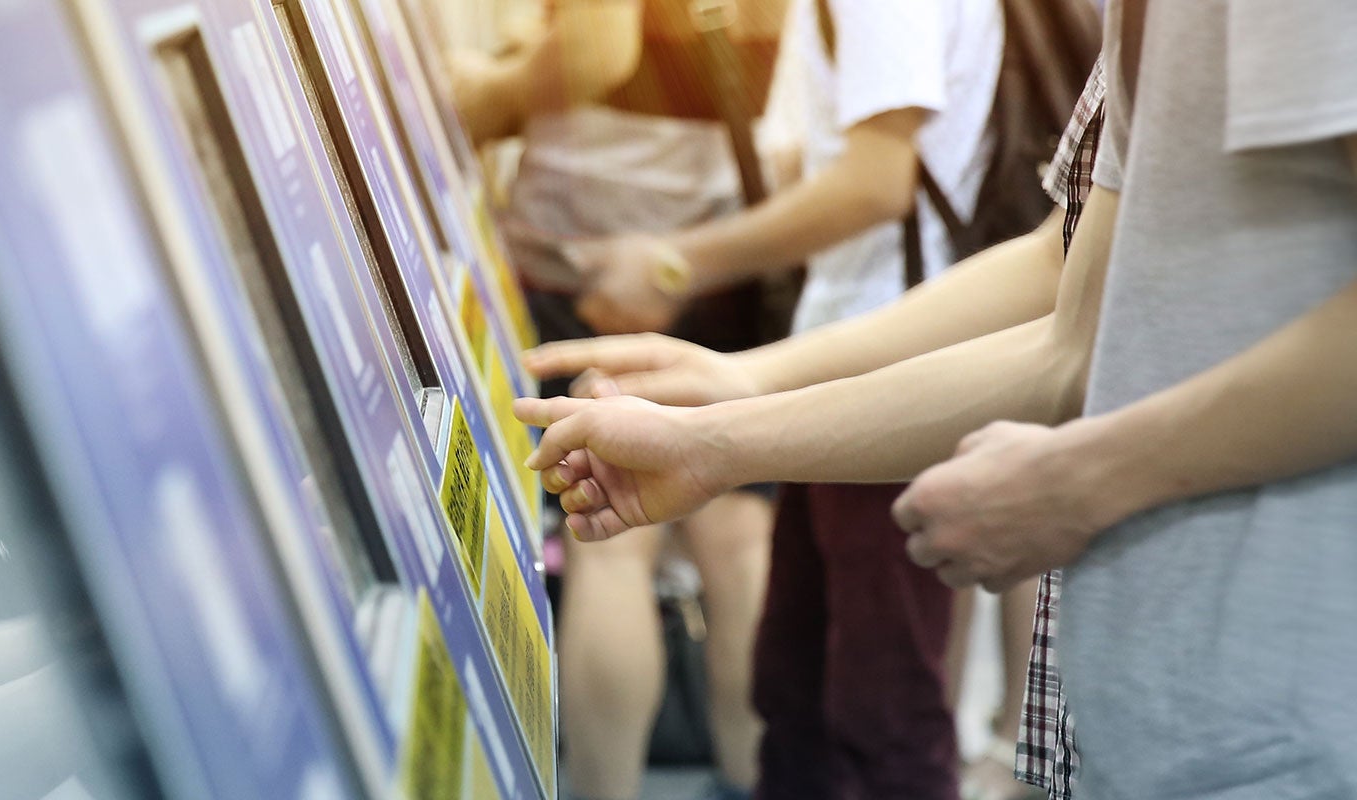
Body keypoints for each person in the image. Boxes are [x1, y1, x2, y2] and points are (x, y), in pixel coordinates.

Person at [516, 0, 1357, 792]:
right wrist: (739, 406)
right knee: (812, 703)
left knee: (881, 716)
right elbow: (1070, 306)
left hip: (1286, 708)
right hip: (1157, 697)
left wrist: (1096, 474)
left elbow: (897, 197)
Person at [535, 0, 1002, 797]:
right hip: (848, 354)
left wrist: (679, 264)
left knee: (877, 707)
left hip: (886, 368)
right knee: (799, 685)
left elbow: (873, 185)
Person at [449, 3, 787, 797]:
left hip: (597, 251)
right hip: (718, 236)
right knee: (739, 542)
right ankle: (756, 776)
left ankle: (607, 789)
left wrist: (489, 90)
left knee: (611, 540)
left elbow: (601, 47)